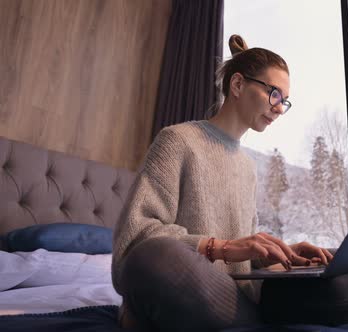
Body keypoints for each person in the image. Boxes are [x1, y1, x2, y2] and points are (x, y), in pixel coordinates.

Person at [111, 34, 334, 331]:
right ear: (238, 84)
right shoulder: (178, 141)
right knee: (154, 256)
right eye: (274, 94)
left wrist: (282, 253)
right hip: (187, 281)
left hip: (232, 294)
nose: (280, 108)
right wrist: (222, 247)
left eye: (285, 101)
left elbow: (244, 257)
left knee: (331, 267)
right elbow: (136, 237)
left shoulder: (247, 167)